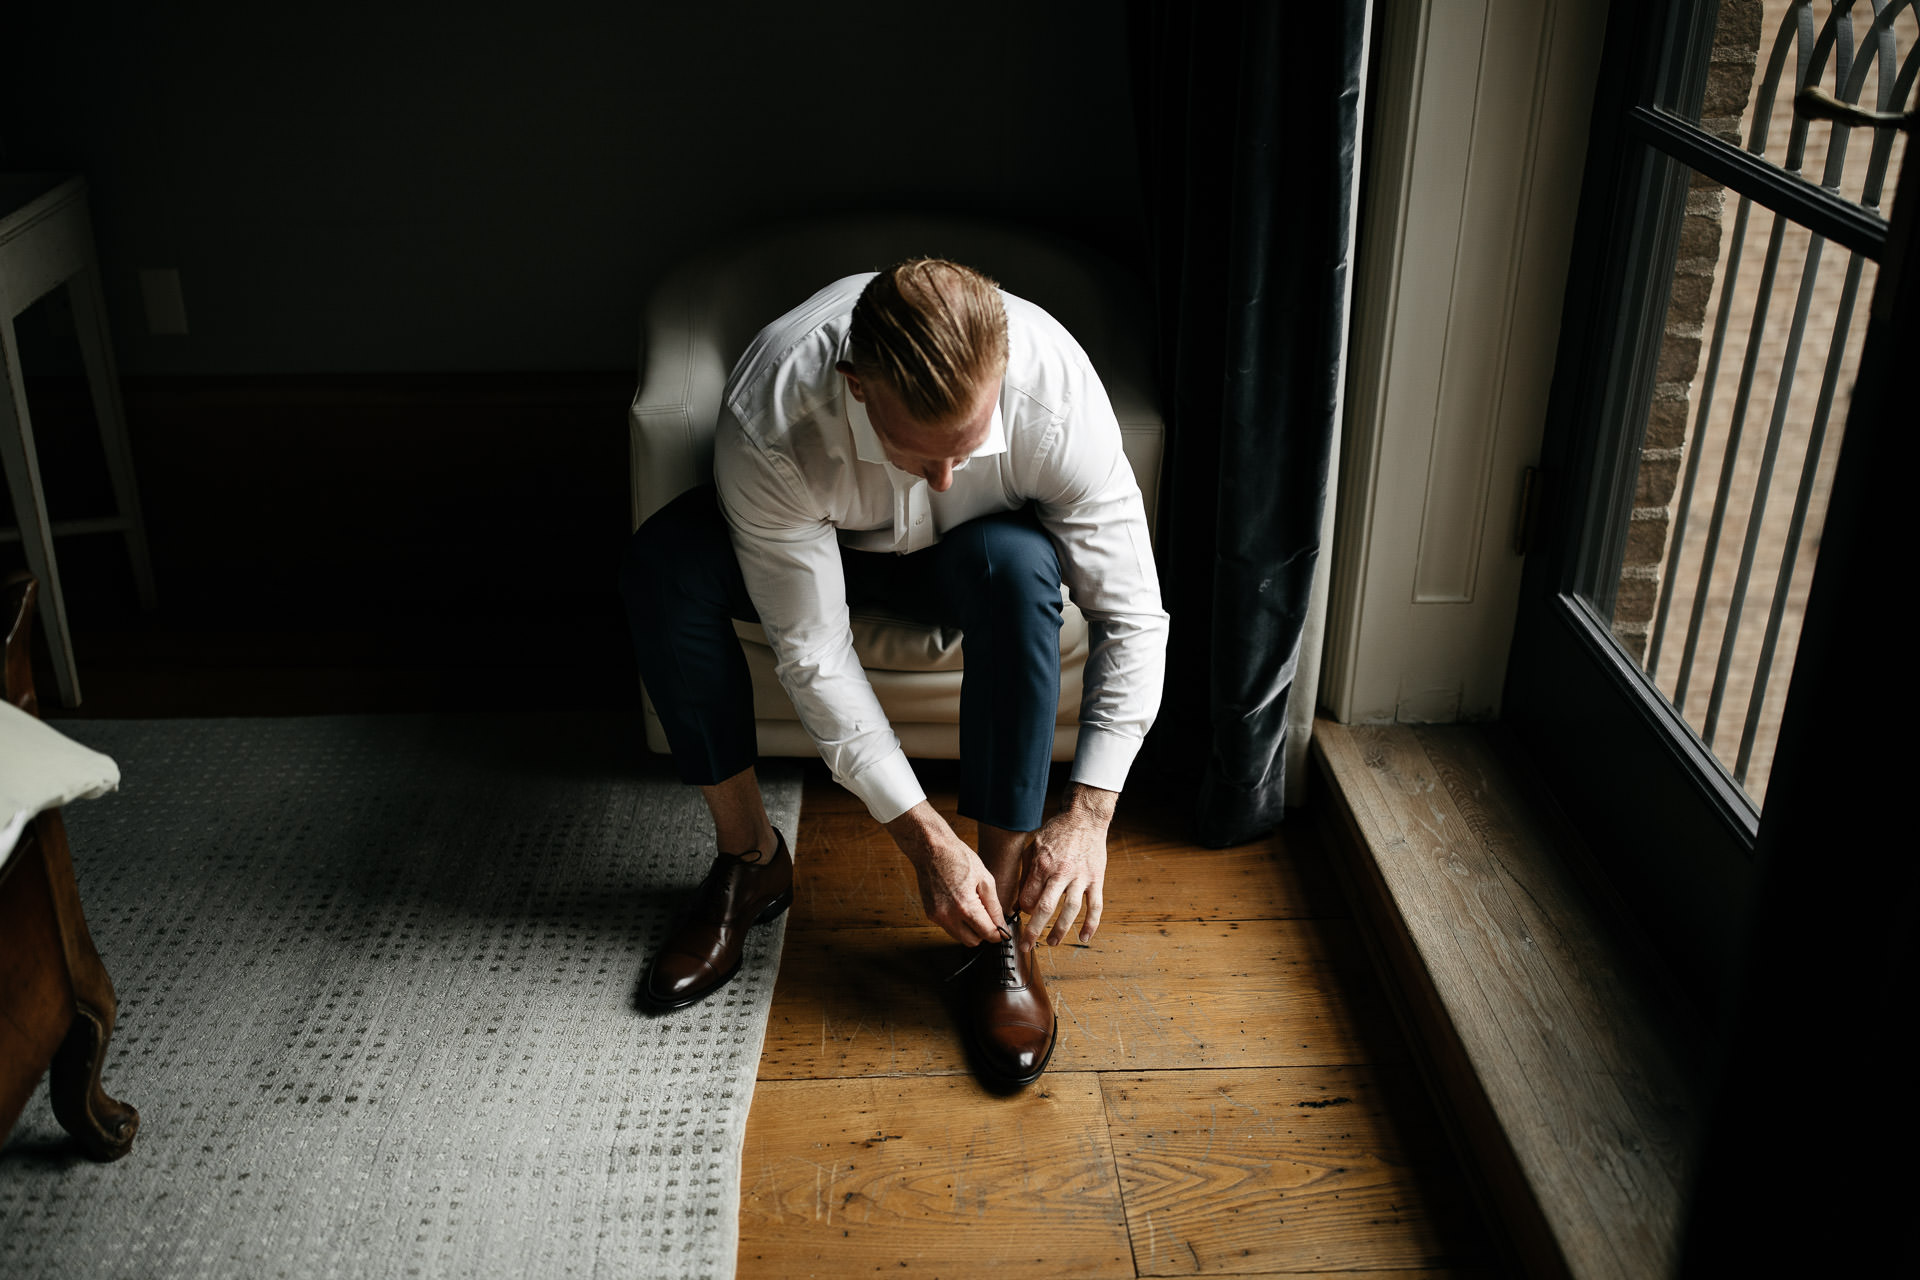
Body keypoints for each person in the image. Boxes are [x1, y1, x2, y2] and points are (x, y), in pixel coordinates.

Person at [619, 258, 1167, 1087]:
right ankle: (750, 858)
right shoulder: (772, 413)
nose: (946, 479)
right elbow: (814, 653)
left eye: (968, 449)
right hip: (817, 543)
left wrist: (1091, 814)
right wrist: (924, 840)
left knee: (1020, 568)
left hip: (970, 560)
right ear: (858, 388)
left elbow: (1133, 616)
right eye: (921, 455)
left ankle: (1001, 916)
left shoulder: (1056, 396)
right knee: (663, 564)